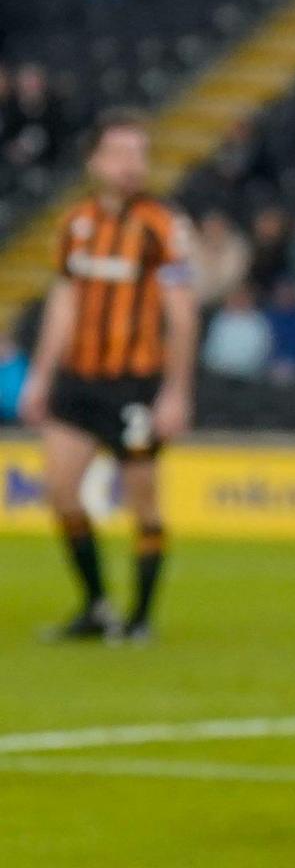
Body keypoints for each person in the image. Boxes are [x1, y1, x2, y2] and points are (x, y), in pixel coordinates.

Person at [19, 111, 198, 644]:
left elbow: (183, 312)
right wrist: (41, 376)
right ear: (95, 160)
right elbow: (63, 301)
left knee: (143, 500)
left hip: (135, 385)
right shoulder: (75, 225)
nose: (131, 165)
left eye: (140, 154)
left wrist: (176, 392)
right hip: (78, 380)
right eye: (119, 153)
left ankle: (139, 617)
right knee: (60, 490)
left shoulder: (163, 227)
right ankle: (96, 605)